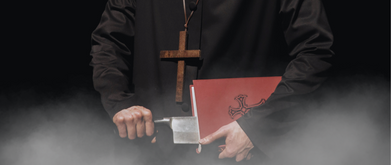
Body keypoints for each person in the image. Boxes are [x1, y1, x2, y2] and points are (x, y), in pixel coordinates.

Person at [90, 0, 334, 164]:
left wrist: (259, 125)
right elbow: (108, 44)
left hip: (235, 148)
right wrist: (120, 103)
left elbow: (315, 51)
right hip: (150, 147)